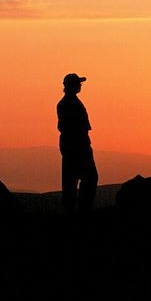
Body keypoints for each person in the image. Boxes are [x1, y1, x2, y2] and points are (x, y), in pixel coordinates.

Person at [57, 73, 98, 217]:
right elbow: (72, 128)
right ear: (71, 86)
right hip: (78, 147)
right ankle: (81, 212)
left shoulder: (67, 103)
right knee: (88, 178)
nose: (80, 86)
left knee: (72, 180)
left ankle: (75, 211)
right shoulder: (69, 103)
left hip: (73, 146)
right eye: (78, 83)